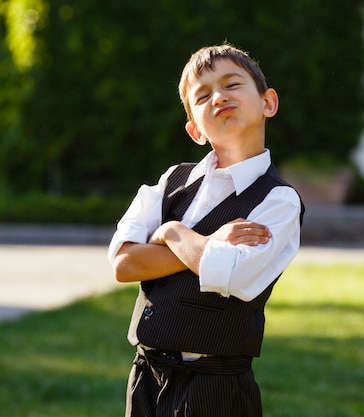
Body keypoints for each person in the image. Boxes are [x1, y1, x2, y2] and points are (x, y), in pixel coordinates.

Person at [108, 44, 304, 417]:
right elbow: (124, 263)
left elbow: (231, 274)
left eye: (232, 84)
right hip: (146, 377)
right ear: (195, 130)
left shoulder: (278, 200)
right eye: (203, 95)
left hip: (215, 386)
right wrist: (207, 243)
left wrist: (170, 233)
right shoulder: (171, 182)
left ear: (268, 103)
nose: (219, 96)